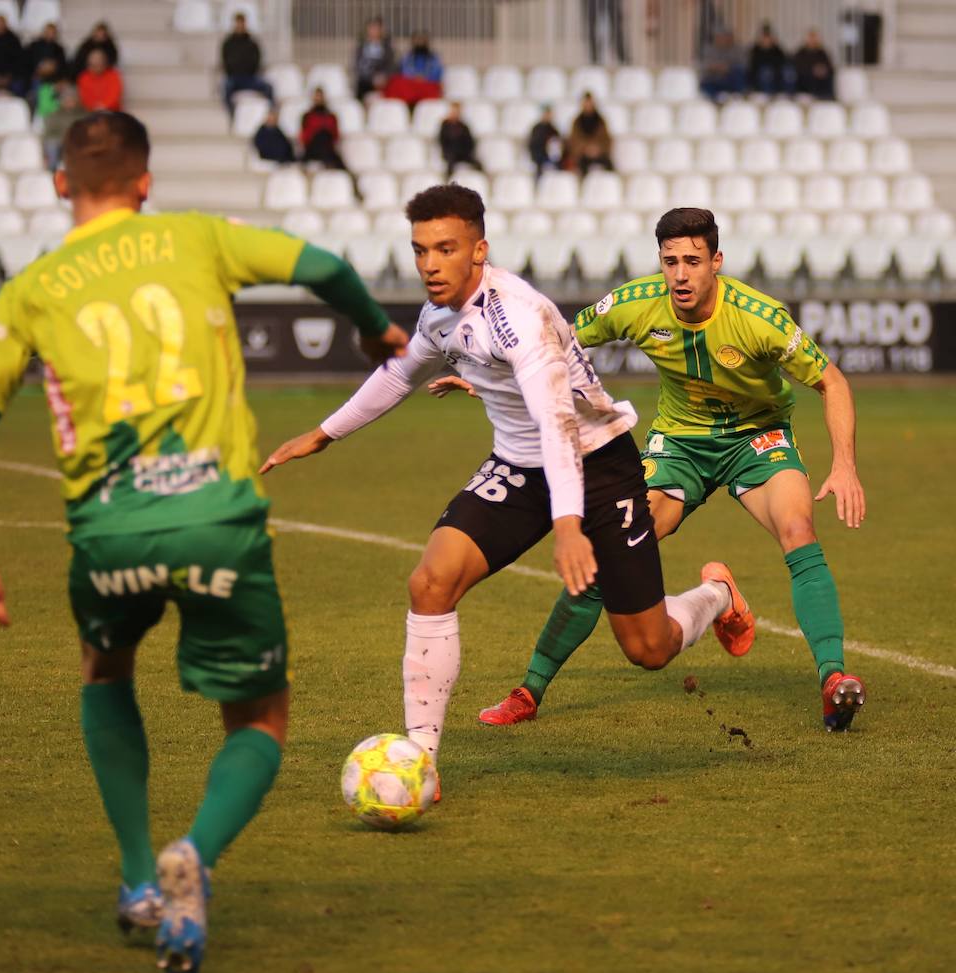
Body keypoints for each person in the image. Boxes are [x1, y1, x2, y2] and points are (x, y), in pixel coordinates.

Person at [0, 110, 407, 973]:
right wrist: (378, 328)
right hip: (217, 522)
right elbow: (326, 267)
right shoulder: (197, 239)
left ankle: (135, 883)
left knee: (104, 669)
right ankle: (194, 852)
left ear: (59, 185)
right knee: (261, 717)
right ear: (146, 183)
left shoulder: (33, 286)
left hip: (107, 532)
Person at [260, 185, 755, 782]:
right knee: (430, 582)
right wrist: (324, 433)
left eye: (445, 249)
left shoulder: (518, 317)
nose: (429, 264)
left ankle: (717, 596)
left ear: (479, 249)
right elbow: (400, 374)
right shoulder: (438, 315)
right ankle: (420, 762)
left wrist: (569, 525)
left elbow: (558, 423)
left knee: (648, 649)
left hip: (596, 466)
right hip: (520, 470)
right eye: (420, 250)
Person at [460, 209, 867, 732]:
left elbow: (832, 381)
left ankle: (834, 681)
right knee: (614, 549)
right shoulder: (636, 303)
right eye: (670, 261)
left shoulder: (758, 316)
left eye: (693, 261)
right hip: (679, 442)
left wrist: (846, 466)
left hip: (757, 437)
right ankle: (529, 690)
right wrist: (493, 377)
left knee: (798, 529)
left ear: (716, 262)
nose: (680, 274)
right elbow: (555, 342)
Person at [220, 13, 273, 114]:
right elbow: (224, 60)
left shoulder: (252, 43)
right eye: (238, 23)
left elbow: (257, 59)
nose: (240, 25)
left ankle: (270, 115)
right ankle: (232, 115)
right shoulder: (228, 43)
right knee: (226, 87)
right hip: (234, 78)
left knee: (268, 87)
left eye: (242, 23)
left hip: (250, 78)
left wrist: (251, 71)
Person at [382, 30, 442, 108]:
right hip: (411, 83)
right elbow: (404, 70)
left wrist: (424, 78)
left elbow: (437, 72)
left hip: (427, 84)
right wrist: (414, 77)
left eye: (422, 40)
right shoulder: (407, 57)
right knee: (395, 82)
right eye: (417, 40)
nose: (420, 43)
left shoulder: (434, 57)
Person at [566, 93, 613, 176]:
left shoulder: (601, 121)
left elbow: (606, 139)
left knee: (610, 166)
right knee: (580, 167)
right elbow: (574, 140)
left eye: (590, 103)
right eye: (586, 103)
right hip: (583, 154)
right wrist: (586, 149)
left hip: (599, 153)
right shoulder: (577, 122)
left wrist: (597, 149)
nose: (588, 105)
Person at [351, 16, 395, 101]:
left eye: (376, 28)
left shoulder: (387, 48)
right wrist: (371, 79)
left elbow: (391, 66)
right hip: (366, 81)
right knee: (360, 85)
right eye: (371, 28)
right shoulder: (361, 47)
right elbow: (357, 66)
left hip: (383, 81)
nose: (373, 31)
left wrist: (383, 77)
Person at [41, 82, 83, 168]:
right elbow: (48, 133)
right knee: (51, 144)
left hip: (78, 143)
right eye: (66, 99)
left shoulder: (84, 114)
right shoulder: (54, 114)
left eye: (72, 98)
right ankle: (52, 170)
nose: (69, 101)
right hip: (60, 142)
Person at [699, 29, 745, 101]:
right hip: (714, 78)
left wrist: (728, 67)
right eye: (719, 37)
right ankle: (716, 99)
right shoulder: (709, 49)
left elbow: (742, 63)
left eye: (724, 37)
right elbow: (704, 65)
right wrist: (717, 67)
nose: (722, 40)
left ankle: (737, 96)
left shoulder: (736, 49)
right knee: (706, 83)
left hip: (729, 78)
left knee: (738, 71)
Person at [438, 102, 481, 178]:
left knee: (478, 164)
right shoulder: (445, 125)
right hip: (450, 153)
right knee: (450, 164)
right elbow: (442, 141)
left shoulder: (464, 126)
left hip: (463, 153)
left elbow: (469, 141)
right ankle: (448, 181)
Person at [748, 22, 790, 95]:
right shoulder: (755, 50)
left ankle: (786, 94)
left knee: (788, 73)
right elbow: (753, 66)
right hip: (760, 75)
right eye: (764, 37)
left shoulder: (777, 50)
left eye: (768, 37)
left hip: (776, 73)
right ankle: (767, 95)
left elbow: (783, 62)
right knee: (766, 72)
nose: (766, 40)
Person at [77, 48, 123, 112]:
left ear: (104, 64)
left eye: (97, 65)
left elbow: (114, 95)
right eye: (91, 65)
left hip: (111, 112)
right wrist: (94, 107)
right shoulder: (84, 77)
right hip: (91, 112)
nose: (94, 68)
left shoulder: (113, 76)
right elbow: (84, 97)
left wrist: (103, 106)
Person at [794, 28, 835, 99]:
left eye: (814, 38)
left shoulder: (822, 53)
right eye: (810, 38)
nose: (812, 40)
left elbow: (830, 67)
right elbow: (798, 67)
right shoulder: (801, 53)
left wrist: (823, 70)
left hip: (821, 80)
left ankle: (826, 96)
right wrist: (813, 70)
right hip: (805, 79)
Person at [527, 105, 563, 180]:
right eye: (546, 113)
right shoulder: (536, 129)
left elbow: (557, 145)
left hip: (550, 156)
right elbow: (533, 145)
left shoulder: (554, 129)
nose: (548, 116)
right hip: (539, 156)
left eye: (549, 114)